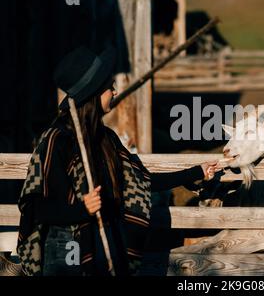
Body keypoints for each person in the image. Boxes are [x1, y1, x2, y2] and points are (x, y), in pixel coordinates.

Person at [16, 45, 220, 276]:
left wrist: (196, 172)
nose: (114, 92)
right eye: (109, 88)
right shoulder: (58, 140)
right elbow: (36, 207)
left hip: (108, 241)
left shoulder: (106, 138)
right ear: (94, 94)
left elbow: (141, 181)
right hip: (67, 251)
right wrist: (81, 209)